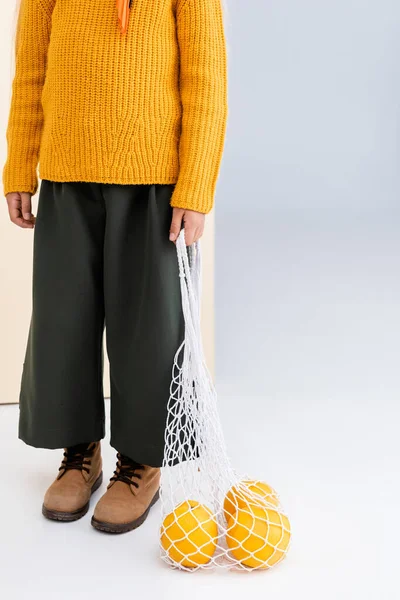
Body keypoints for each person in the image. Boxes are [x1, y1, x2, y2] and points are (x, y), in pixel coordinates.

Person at [3, 0, 228, 533]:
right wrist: (19, 163)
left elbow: (207, 77)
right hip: (65, 175)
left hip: (154, 179)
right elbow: (31, 67)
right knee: (64, 323)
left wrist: (195, 185)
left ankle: (141, 462)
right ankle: (79, 453)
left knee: (150, 331)